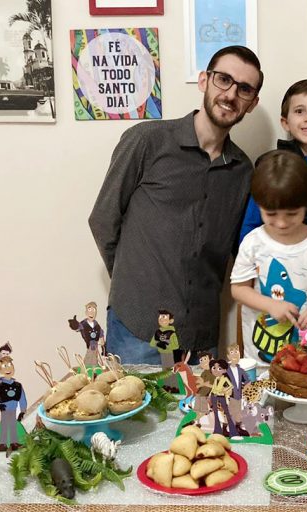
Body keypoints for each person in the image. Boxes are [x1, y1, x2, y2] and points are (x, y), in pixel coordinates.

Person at [89, 46, 263, 363]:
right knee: (131, 398)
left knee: (206, 400)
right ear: (204, 80)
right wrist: (137, 282)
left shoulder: (242, 171)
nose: (230, 94)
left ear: (252, 103)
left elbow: (238, 250)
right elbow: (103, 219)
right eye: (224, 79)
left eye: (244, 88)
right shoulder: (146, 141)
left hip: (201, 337)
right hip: (138, 328)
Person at [230, 150, 307, 362]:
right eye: (271, 214)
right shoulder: (253, 242)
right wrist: (270, 305)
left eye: (292, 214)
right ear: (259, 206)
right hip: (262, 358)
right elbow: (239, 289)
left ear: (306, 205)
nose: (282, 223)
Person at [239, 79, 307, 240]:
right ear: (285, 122)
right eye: (299, 111)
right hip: (283, 252)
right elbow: (251, 223)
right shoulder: (270, 165)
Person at [150, 310, 180, 392]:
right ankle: (167, 385)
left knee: (170, 370)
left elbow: (176, 346)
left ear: (171, 321)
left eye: (164, 317)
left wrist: (167, 344)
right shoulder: (158, 332)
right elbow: (152, 343)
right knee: (164, 370)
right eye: (160, 316)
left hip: (170, 354)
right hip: (162, 354)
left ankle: (174, 387)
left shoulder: (171, 333)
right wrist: (159, 343)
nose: (161, 319)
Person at [68, 301, 105, 366]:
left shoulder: (96, 324)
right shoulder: (84, 324)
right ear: (86, 313)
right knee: (90, 355)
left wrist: (102, 340)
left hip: (96, 344)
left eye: (94, 310)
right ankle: (89, 367)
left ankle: (91, 366)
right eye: (89, 310)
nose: (92, 313)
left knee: (94, 355)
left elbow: (100, 332)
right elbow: (78, 327)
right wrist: (74, 324)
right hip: (90, 344)